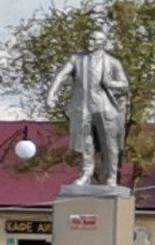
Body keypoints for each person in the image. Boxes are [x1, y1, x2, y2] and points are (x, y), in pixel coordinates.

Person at [46, 29, 129, 186]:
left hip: (104, 108)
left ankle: (111, 176)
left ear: (102, 43)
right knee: (85, 143)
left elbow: (125, 85)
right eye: (89, 38)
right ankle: (86, 174)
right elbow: (61, 75)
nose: (90, 41)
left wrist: (110, 84)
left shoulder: (112, 62)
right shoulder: (77, 59)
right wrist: (51, 93)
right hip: (83, 108)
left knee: (109, 145)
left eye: (94, 39)